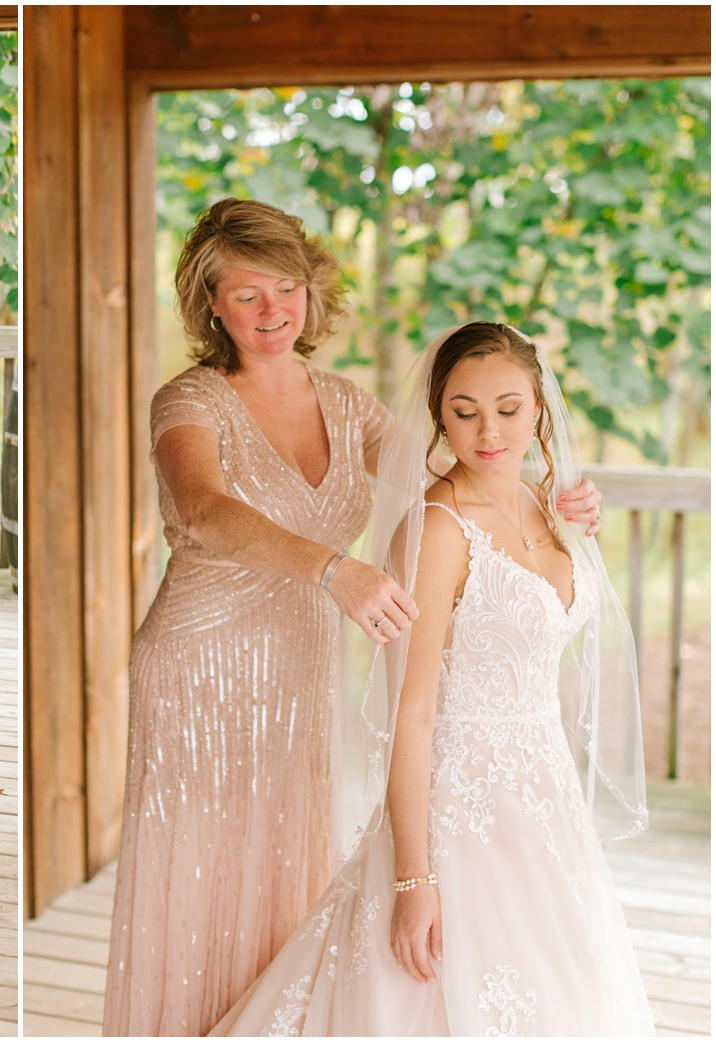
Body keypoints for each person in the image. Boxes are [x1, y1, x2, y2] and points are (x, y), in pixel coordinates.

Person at [101, 200, 604, 1036]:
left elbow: (458, 463)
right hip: (202, 662)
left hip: (299, 670)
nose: (273, 311)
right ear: (212, 304)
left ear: (311, 292)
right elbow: (200, 510)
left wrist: (554, 497)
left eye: (287, 289)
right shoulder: (188, 400)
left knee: (283, 876)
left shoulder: (343, 402)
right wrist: (334, 568)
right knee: (198, 875)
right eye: (248, 294)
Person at [211, 322, 652, 1036]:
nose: (489, 432)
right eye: (464, 411)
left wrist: (581, 515)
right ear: (439, 417)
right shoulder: (437, 532)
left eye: (509, 408)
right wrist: (414, 882)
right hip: (458, 807)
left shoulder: (550, 506)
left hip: (543, 795)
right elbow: (410, 716)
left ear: (539, 407)